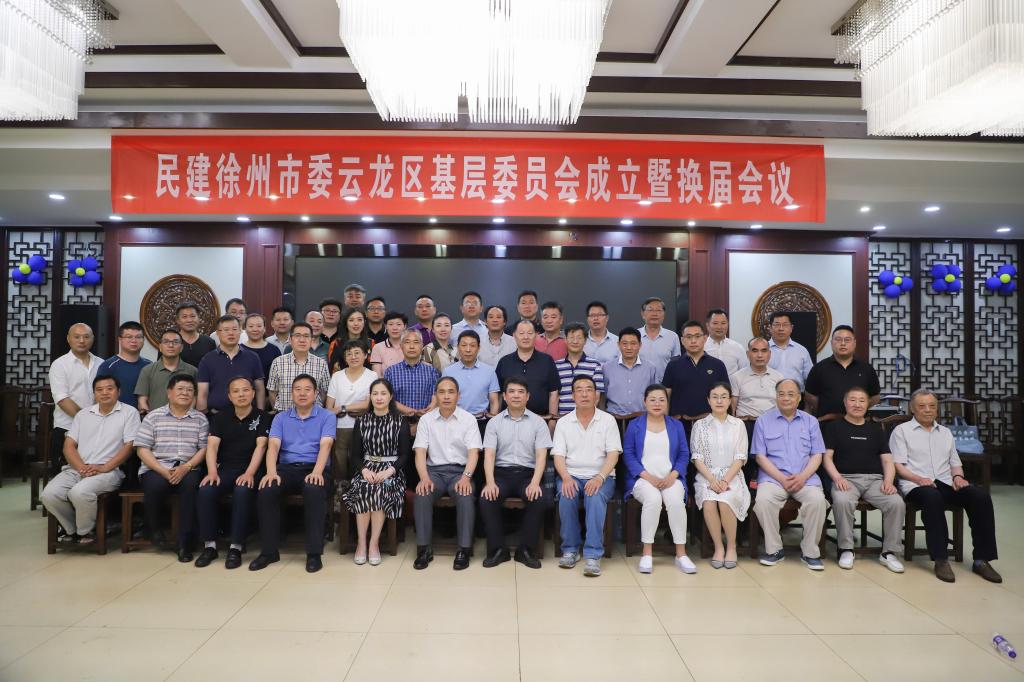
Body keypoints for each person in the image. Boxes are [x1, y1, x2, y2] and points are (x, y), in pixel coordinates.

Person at [890, 388, 1001, 583]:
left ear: (937, 409)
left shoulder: (946, 432)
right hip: (916, 485)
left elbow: (955, 463)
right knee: (932, 497)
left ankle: (982, 560)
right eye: (922, 406)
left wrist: (958, 477)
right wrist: (918, 479)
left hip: (946, 482)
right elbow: (898, 465)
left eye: (932, 406)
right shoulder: (902, 431)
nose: (927, 410)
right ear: (912, 408)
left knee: (980, 497)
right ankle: (941, 559)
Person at [250, 374, 336, 573]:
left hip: (315, 467)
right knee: (267, 488)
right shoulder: (280, 417)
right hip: (287, 469)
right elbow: (273, 446)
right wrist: (271, 472)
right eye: (297, 389)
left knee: (314, 488)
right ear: (291, 393)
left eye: (307, 389)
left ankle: (314, 553)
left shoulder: (327, 416)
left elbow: (326, 445)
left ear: (316, 393)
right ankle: (269, 551)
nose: (302, 393)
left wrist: (317, 472)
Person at [41, 375, 139, 544]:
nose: (104, 393)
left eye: (109, 388)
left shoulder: (129, 413)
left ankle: (85, 531)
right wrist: (81, 468)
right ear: (94, 394)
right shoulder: (83, 415)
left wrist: (104, 467)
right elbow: (68, 446)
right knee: (49, 495)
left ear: (119, 391)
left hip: (108, 471)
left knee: (79, 493)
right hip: (77, 469)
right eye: (99, 390)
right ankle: (74, 530)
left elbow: (130, 446)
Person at [823, 387, 905, 573]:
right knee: (842, 501)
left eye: (862, 400)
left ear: (868, 404)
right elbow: (827, 457)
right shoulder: (834, 427)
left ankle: (889, 552)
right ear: (845, 403)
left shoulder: (876, 429)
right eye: (852, 400)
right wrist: (837, 477)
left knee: (896, 502)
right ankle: (846, 549)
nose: (857, 404)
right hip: (846, 479)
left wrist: (888, 481)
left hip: (875, 480)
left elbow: (887, 460)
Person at [751, 378, 827, 570]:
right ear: (776, 397)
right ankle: (774, 549)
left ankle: (810, 552)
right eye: (781, 394)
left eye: (791, 394)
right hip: (774, 478)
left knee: (817, 501)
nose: (786, 398)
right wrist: (781, 478)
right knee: (763, 501)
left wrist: (802, 477)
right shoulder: (763, 421)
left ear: (799, 397)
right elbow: (760, 456)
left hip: (805, 478)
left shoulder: (810, 421)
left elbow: (817, 455)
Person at [195, 376, 269, 569]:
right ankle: (209, 546)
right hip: (226, 468)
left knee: (242, 490)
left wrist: (249, 473)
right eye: (236, 391)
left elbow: (261, 447)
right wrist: (212, 472)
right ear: (229, 396)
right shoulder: (221, 417)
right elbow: (212, 447)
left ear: (253, 393)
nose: (241, 394)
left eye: (245, 390)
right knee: (206, 490)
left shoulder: (263, 417)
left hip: (252, 469)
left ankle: (236, 547)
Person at [478, 377, 551, 569]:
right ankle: (498, 550)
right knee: (487, 498)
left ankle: (525, 550)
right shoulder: (494, 423)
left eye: (520, 392)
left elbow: (541, 455)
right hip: (501, 474)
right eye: (511, 391)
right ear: (504, 396)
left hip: (528, 474)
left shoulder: (538, 423)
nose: (516, 395)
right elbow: (489, 455)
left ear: (528, 396)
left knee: (539, 498)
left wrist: (535, 482)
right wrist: (490, 482)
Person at [135, 373, 208, 562]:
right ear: (169, 392)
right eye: (180, 389)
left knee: (191, 487)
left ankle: (185, 543)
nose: (185, 393)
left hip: (188, 467)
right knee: (155, 485)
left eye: (190, 390)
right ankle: (154, 529)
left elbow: (203, 449)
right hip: (157, 466)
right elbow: (142, 449)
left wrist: (186, 467)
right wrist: (162, 470)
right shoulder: (153, 417)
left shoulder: (200, 419)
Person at [553, 376, 621, 577]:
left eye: (589, 389)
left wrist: (600, 477)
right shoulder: (564, 422)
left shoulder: (607, 420)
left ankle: (593, 554)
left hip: (602, 476)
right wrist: (566, 477)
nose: (584, 394)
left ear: (596, 395)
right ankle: (570, 550)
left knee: (595, 495)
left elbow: (613, 454)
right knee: (566, 495)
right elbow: (558, 456)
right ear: (572, 395)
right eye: (579, 390)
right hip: (571, 474)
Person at [622, 384, 695, 574]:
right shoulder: (635, 425)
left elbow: (684, 454)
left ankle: (681, 554)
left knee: (676, 502)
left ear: (667, 403)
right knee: (653, 499)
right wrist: (647, 476)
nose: (657, 403)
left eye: (662, 400)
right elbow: (628, 455)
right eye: (652, 400)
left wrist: (673, 475)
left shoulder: (676, 425)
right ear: (645, 402)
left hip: (671, 478)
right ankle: (647, 553)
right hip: (643, 479)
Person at [412, 377, 483, 570]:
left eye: (451, 392)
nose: (446, 396)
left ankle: (464, 550)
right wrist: (424, 478)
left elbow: (474, 452)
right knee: (422, 494)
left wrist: (466, 477)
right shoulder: (426, 420)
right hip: (433, 472)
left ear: (458, 396)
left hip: (460, 472)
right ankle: (424, 549)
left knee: (466, 495)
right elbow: (420, 452)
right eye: (441, 392)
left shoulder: (468, 419)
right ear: (435, 396)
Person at [343, 378, 411, 565]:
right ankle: (361, 543)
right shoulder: (362, 421)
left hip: (391, 473)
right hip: (366, 470)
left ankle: (374, 544)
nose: (379, 397)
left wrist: (389, 471)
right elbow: (354, 455)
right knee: (365, 487)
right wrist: (364, 471)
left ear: (390, 397)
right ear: (370, 397)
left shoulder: (400, 421)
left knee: (380, 488)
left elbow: (405, 455)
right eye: (375, 394)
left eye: (383, 393)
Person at [690, 382, 751, 569]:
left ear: (730, 400)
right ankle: (718, 547)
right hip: (706, 476)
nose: (719, 401)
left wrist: (725, 480)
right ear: (708, 400)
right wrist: (712, 480)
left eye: (724, 397)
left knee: (725, 501)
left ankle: (731, 546)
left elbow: (740, 457)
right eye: (715, 397)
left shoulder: (738, 425)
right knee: (709, 502)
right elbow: (697, 457)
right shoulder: (699, 425)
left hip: (732, 475)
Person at [48, 323, 101, 472]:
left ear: (92, 338)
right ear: (68, 339)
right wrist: (87, 420)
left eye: (86, 337)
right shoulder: (60, 365)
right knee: (65, 473)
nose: (82, 341)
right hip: (67, 428)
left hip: (97, 429)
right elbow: (62, 399)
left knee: (93, 471)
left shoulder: (101, 364)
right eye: (77, 337)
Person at [662, 320, 729, 432]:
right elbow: (666, 396)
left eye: (697, 336)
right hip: (679, 423)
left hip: (710, 423)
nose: (693, 341)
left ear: (705, 338)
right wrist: (665, 423)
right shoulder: (673, 365)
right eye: (689, 337)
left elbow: (725, 396)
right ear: (682, 340)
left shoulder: (717, 365)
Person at [325, 340, 377, 481]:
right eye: (349, 354)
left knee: (360, 459)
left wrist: (342, 408)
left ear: (365, 355)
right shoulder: (337, 376)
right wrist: (352, 407)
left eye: (357, 353)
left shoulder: (372, 376)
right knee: (339, 460)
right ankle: (340, 490)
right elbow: (329, 407)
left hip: (363, 425)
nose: (353, 357)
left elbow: (368, 403)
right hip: (340, 426)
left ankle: (358, 489)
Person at [804, 325, 881, 417]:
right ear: (831, 343)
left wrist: (859, 408)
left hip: (858, 421)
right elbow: (810, 396)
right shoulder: (819, 368)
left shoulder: (867, 369)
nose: (843, 343)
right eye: (838, 340)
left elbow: (875, 396)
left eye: (847, 340)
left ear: (854, 343)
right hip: (828, 422)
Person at [197, 316, 265, 413]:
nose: (231, 333)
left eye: (234, 329)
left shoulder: (252, 357)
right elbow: (203, 392)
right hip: (217, 414)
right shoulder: (207, 359)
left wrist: (260, 413)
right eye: (226, 330)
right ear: (218, 333)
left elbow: (259, 389)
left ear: (240, 331)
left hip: (248, 414)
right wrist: (203, 415)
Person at [495, 319, 560, 419]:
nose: (526, 337)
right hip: (508, 420)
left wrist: (552, 420)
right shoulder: (504, 362)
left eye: (530, 333)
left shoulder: (547, 361)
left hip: (542, 420)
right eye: (521, 333)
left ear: (536, 335)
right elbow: (498, 395)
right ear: (514, 336)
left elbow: (554, 393)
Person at [266, 322, 330, 412]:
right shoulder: (278, 362)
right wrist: (279, 412)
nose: (302, 340)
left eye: (306, 336)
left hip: (313, 417)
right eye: (297, 335)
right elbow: (272, 391)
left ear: (311, 340)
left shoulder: (321, 364)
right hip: (284, 415)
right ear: (290, 340)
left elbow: (324, 392)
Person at [135, 329, 197, 414]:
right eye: (166, 342)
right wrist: (151, 417)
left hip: (185, 419)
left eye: (175, 342)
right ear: (160, 347)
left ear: (181, 347)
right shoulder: (147, 370)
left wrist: (186, 416)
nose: (171, 345)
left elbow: (194, 398)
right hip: (156, 419)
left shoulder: (192, 371)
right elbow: (142, 400)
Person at [602, 327, 658, 419]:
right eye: (624, 343)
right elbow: (602, 396)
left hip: (642, 418)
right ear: (618, 345)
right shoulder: (607, 367)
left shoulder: (650, 368)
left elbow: (654, 394)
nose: (629, 347)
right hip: (614, 418)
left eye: (633, 343)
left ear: (640, 345)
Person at [443, 330, 500, 418]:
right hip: (455, 420)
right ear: (458, 347)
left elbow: (494, 401)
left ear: (478, 348)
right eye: (464, 345)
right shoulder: (448, 372)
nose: (468, 350)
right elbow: (443, 400)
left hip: (482, 420)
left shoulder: (489, 371)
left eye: (472, 345)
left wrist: (491, 420)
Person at [384, 329, 439, 418]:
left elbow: (436, 396)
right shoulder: (390, 372)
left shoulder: (432, 372)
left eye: (416, 342)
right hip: (398, 421)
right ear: (401, 346)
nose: (412, 346)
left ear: (422, 346)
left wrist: (428, 410)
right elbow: (386, 398)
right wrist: (412, 411)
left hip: (425, 420)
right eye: (407, 342)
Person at [96, 321, 151, 410]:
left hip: (145, 415)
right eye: (129, 337)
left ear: (143, 340)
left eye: (138, 337)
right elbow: (100, 395)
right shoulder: (108, 366)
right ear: (120, 340)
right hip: (116, 415)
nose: (134, 341)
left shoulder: (149, 365)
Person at [554, 323, 605, 416]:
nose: (575, 341)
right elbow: (554, 395)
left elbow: (596, 397)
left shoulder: (594, 365)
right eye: (571, 338)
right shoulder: (557, 366)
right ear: (565, 340)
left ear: (585, 341)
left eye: (579, 338)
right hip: (562, 418)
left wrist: (585, 416)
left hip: (587, 418)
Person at [730, 337, 784, 419]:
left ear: (769, 354)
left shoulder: (779, 377)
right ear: (748, 354)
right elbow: (732, 408)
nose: (759, 355)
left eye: (764, 351)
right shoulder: (737, 377)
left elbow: (782, 405)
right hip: (746, 422)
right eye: (755, 351)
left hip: (772, 422)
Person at [638, 297, 680, 381]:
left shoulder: (672, 337)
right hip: (639, 383)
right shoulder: (635, 335)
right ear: (643, 314)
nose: (654, 314)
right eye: (650, 310)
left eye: (658, 310)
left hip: (664, 385)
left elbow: (676, 364)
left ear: (664, 314)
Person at [767, 312, 813, 387]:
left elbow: (810, 378)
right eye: (777, 325)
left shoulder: (802, 351)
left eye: (785, 325)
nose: (781, 329)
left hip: (796, 393)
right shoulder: (762, 350)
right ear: (770, 328)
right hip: (769, 393)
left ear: (791, 328)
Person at [704, 309, 748, 375]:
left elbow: (744, 372)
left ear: (728, 324)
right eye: (715, 323)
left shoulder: (738, 347)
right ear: (707, 325)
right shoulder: (701, 347)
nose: (719, 327)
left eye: (723, 323)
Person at [328, 307, 372, 372]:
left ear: (364, 322)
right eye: (351, 320)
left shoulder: (372, 343)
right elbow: (332, 369)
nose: (356, 323)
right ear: (346, 323)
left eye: (359, 320)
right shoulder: (336, 343)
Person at [243, 313, 282, 382]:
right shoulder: (238, 349)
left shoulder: (274, 350)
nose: (255, 329)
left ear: (264, 328)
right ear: (245, 329)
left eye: (259, 326)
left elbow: (280, 375)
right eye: (251, 326)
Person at [175, 302, 216, 367]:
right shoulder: (170, 342)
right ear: (178, 320)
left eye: (193, 316)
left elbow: (214, 367)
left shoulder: (209, 342)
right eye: (184, 317)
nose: (189, 320)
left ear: (199, 318)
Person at [369, 311, 407, 376]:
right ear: (386, 326)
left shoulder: (410, 346)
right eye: (391, 324)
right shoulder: (378, 347)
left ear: (405, 326)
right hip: (385, 382)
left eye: (398, 324)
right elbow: (377, 375)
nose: (395, 328)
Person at [584, 300, 619, 366]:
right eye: (592, 315)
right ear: (587, 319)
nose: (595, 318)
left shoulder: (617, 341)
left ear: (607, 318)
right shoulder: (581, 341)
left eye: (599, 315)